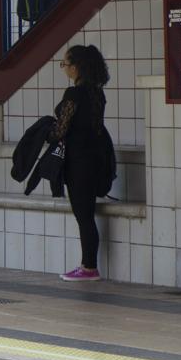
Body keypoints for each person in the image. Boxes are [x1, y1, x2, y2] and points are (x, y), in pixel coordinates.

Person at [52, 44, 110, 282]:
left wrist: (47, 132)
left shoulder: (73, 94)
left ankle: (89, 268)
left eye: (64, 64)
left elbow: (61, 129)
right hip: (95, 158)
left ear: (75, 68)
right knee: (87, 214)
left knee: (83, 215)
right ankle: (88, 266)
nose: (64, 68)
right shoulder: (97, 93)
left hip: (78, 161)